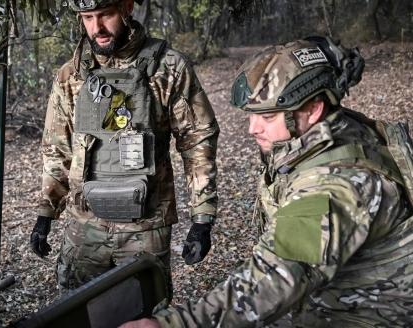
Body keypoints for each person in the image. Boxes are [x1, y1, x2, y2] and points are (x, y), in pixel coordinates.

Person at [121, 37, 413, 327]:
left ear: (313, 108)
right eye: (251, 115)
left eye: (268, 116)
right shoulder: (331, 132)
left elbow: (276, 278)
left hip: (362, 315)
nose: (252, 128)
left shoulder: (337, 184)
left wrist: (174, 324)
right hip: (335, 294)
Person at [29, 0, 219, 292]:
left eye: (106, 14)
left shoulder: (167, 68)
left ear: (127, 7)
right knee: (80, 311)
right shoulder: (70, 76)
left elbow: (197, 139)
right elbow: (57, 149)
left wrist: (202, 217)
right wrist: (46, 213)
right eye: (88, 18)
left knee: (144, 313)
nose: (97, 28)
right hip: (85, 225)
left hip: (146, 225)